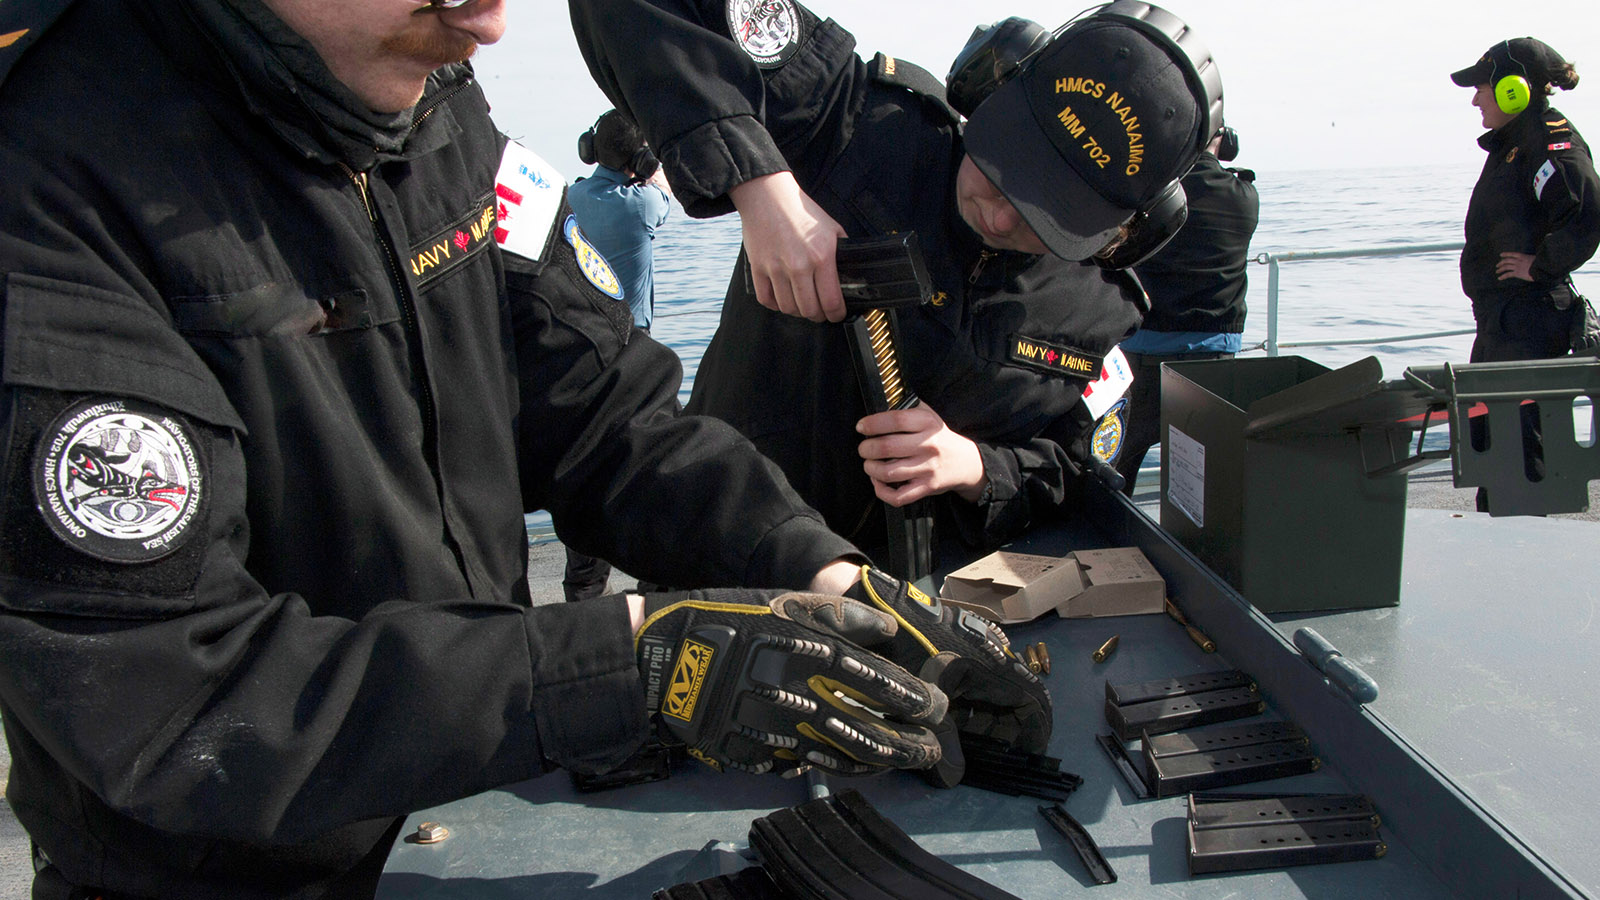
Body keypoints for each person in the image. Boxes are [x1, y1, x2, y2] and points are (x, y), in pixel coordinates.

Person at [0, 1, 1048, 897]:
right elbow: (171, 694)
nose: (495, 19)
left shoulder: (435, 95)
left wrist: (825, 580)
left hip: (462, 819)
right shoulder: (45, 176)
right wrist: (631, 664)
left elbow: (603, 414)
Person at [569, 0, 1222, 566]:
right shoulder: (857, 124)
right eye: (998, 170)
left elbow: (1078, 467)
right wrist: (761, 185)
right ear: (990, 84)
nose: (997, 216)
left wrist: (975, 468)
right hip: (713, 544)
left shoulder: (1100, 311)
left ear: (1118, 233)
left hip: (906, 604)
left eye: (1043, 219)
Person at [1451, 37, 1600, 510]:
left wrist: (1543, 265)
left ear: (1515, 89)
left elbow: (1587, 210)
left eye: (1482, 88)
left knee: (1523, 459)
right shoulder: (1516, 143)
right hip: (1503, 324)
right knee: (1488, 442)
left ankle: (1533, 559)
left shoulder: (1547, 140)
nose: (1475, 99)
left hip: (1527, 323)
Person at [562, 108, 673, 601]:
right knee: (654, 475)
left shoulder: (569, 197)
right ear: (641, 160)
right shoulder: (644, 205)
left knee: (586, 479)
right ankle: (658, 593)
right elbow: (665, 188)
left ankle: (583, 604)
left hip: (580, 356)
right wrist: (653, 164)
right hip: (636, 356)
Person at [1115, 124, 1259, 494]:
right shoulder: (1244, 197)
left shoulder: (1144, 194)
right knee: (1208, 481)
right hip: (1212, 368)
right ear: (1223, 140)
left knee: (1117, 467)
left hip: (1140, 362)